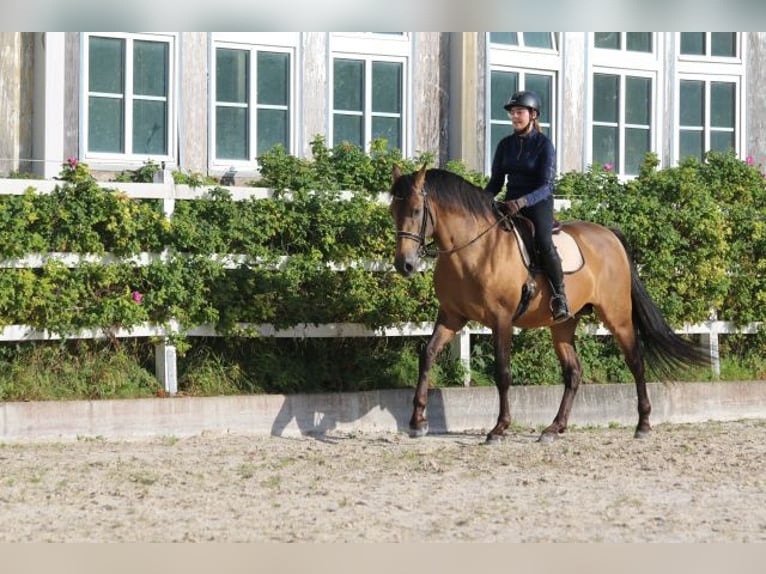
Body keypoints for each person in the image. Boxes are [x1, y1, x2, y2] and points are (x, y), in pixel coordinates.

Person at [484, 90, 572, 322]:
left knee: (543, 241)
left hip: (537, 202)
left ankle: (560, 296)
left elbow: (547, 185)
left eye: (519, 112)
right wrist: (478, 202)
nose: (515, 117)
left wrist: (523, 201)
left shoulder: (544, 145)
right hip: (510, 203)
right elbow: (495, 182)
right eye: (512, 113)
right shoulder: (505, 145)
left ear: (533, 115)